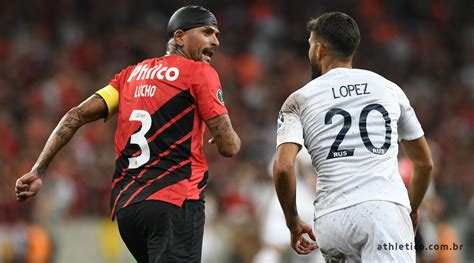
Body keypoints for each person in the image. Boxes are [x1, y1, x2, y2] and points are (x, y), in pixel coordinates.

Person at [15, 5, 240, 263]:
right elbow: (229, 147)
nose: (216, 41)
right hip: (175, 200)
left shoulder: (130, 76)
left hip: (128, 209)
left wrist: (39, 169)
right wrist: (228, 135)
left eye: (217, 34)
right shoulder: (200, 73)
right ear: (179, 37)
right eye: (207, 32)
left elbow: (74, 116)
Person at [273, 12, 433, 262]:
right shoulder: (389, 89)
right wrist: (411, 210)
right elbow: (424, 164)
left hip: (330, 219)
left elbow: (283, 167)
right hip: (384, 213)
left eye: (309, 45)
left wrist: (292, 221)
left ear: (319, 48)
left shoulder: (298, 99)